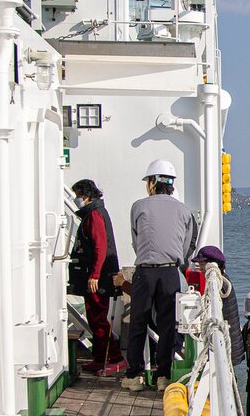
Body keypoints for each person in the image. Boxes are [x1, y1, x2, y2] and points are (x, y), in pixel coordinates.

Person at [121, 159, 197, 391]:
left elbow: (136, 241)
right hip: (171, 272)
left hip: (145, 271)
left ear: (152, 182)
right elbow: (186, 249)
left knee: (138, 323)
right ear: (171, 184)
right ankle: (163, 376)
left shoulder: (139, 206)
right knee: (168, 326)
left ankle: (135, 376)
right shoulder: (185, 211)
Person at [68, 179, 123, 374]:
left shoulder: (94, 215)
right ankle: (100, 358)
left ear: (86, 195)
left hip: (97, 278)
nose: (77, 200)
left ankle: (115, 357)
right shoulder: (96, 213)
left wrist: (95, 275)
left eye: (78, 196)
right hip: (98, 275)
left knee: (98, 318)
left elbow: (100, 247)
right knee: (95, 317)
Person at [190, 245, 245, 367]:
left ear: (213, 264)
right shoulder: (224, 280)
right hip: (231, 341)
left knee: (226, 375)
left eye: (202, 263)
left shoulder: (221, 284)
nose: (200, 267)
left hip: (228, 342)